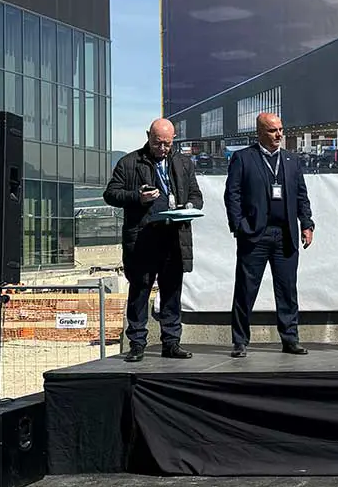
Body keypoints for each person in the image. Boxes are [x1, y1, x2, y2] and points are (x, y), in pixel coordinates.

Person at [102, 118, 203, 363]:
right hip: (143, 239)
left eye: (168, 144)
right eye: (158, 143)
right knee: (140, 291)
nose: (163, 149)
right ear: (148, 136)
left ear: (174, 139)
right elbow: (111, 194)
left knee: (171, 292)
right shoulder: (129, 162)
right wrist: (138, 197)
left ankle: (171, 342)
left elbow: (196, 195)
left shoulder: (182, 162)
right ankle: (137, 344)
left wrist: (190, 206)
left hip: (173, 236)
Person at [224, 112, 315, 358]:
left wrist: (307, 224)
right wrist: (239, 226)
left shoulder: (291, 160)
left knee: (287, 289)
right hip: (255, 235)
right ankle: (240, 341)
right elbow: (232, 195)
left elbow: (301, 196)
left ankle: (290, 339)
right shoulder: (243, 158)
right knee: (245, 289)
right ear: (260, 132)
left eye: (281, 130)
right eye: (273, 130)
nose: (279, 135)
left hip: (284, 234)